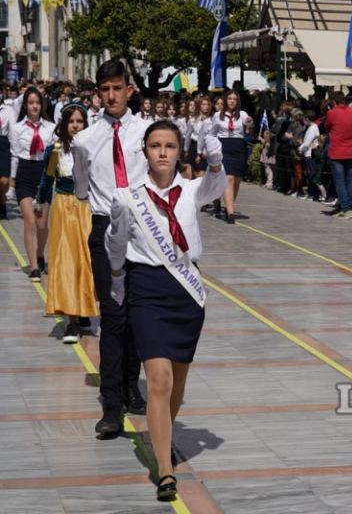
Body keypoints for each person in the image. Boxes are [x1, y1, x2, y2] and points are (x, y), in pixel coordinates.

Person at [105, 120, 226, 502]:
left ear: (179, 151)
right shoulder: (128, 197)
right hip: (147, 289)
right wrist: (117, 275)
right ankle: (165, 469)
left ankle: (163, 438)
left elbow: (217, 185)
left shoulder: (191, 191)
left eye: (170, 146)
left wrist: (217, 158)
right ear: (145, 151)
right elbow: (116, 244)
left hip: (186, 293)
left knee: (177, 381)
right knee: (157, 380)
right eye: (155, 145)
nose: (162, 152)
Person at [72, 59, 150, 437]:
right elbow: (82, 190)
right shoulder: (85, 140)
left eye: (117, 88)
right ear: (97, 93)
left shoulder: (146, 132)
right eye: (104, 90)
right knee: (113, 317)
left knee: (137, 314)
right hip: (106, 231)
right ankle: (111, 403)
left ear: (129, 90)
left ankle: (132, 383)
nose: (111, 96)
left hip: (142, 230)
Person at [37, 103, 98, 344]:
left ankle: (84, 309)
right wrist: (41, 201)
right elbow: (47, 177)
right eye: (71, 121)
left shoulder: (91, 149)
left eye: (79, 121)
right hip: (63, 208)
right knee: (67, 261)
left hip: (86, 208)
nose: (75, 126)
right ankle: (71, 320)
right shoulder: (55, 150)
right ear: (63, 124)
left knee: (87, 259)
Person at [10, 87, 56, 280]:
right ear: (25, 105)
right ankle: (34, 266)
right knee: (29, 221)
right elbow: (14, 155)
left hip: (44, 173)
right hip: (24, 173)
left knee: (42, 223)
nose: (34, 106)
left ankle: (40, 254)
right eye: (31, 103)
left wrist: (52, 176)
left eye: (37, 102)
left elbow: (55, 154)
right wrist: (12, 183)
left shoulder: (50, 127)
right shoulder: (17, 127)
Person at [210, 89, 251, 224]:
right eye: (230, 99)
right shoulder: (217, 115)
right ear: (226, 100)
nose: (232, 101)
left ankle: (229, 206)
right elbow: (213, 133)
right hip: (224, 146)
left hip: (238, 146)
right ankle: (231, 212)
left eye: (234, 99)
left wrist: (250, 121)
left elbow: (248, 122)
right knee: (229, 178)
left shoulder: (242, 114)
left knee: (237, 180)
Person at [324, 92, 352, 218]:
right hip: (350, 151)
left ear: (334, 102)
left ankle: (346, 208)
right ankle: (350, 207)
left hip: (337, 151)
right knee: (350, 181)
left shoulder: (332, 113)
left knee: (340, 182)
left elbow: (327, 127)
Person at [0, 94, 12, 219]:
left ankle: (2, 201)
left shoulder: (8, 110)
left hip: (3, 142)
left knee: (4, 181)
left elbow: (13, 129)